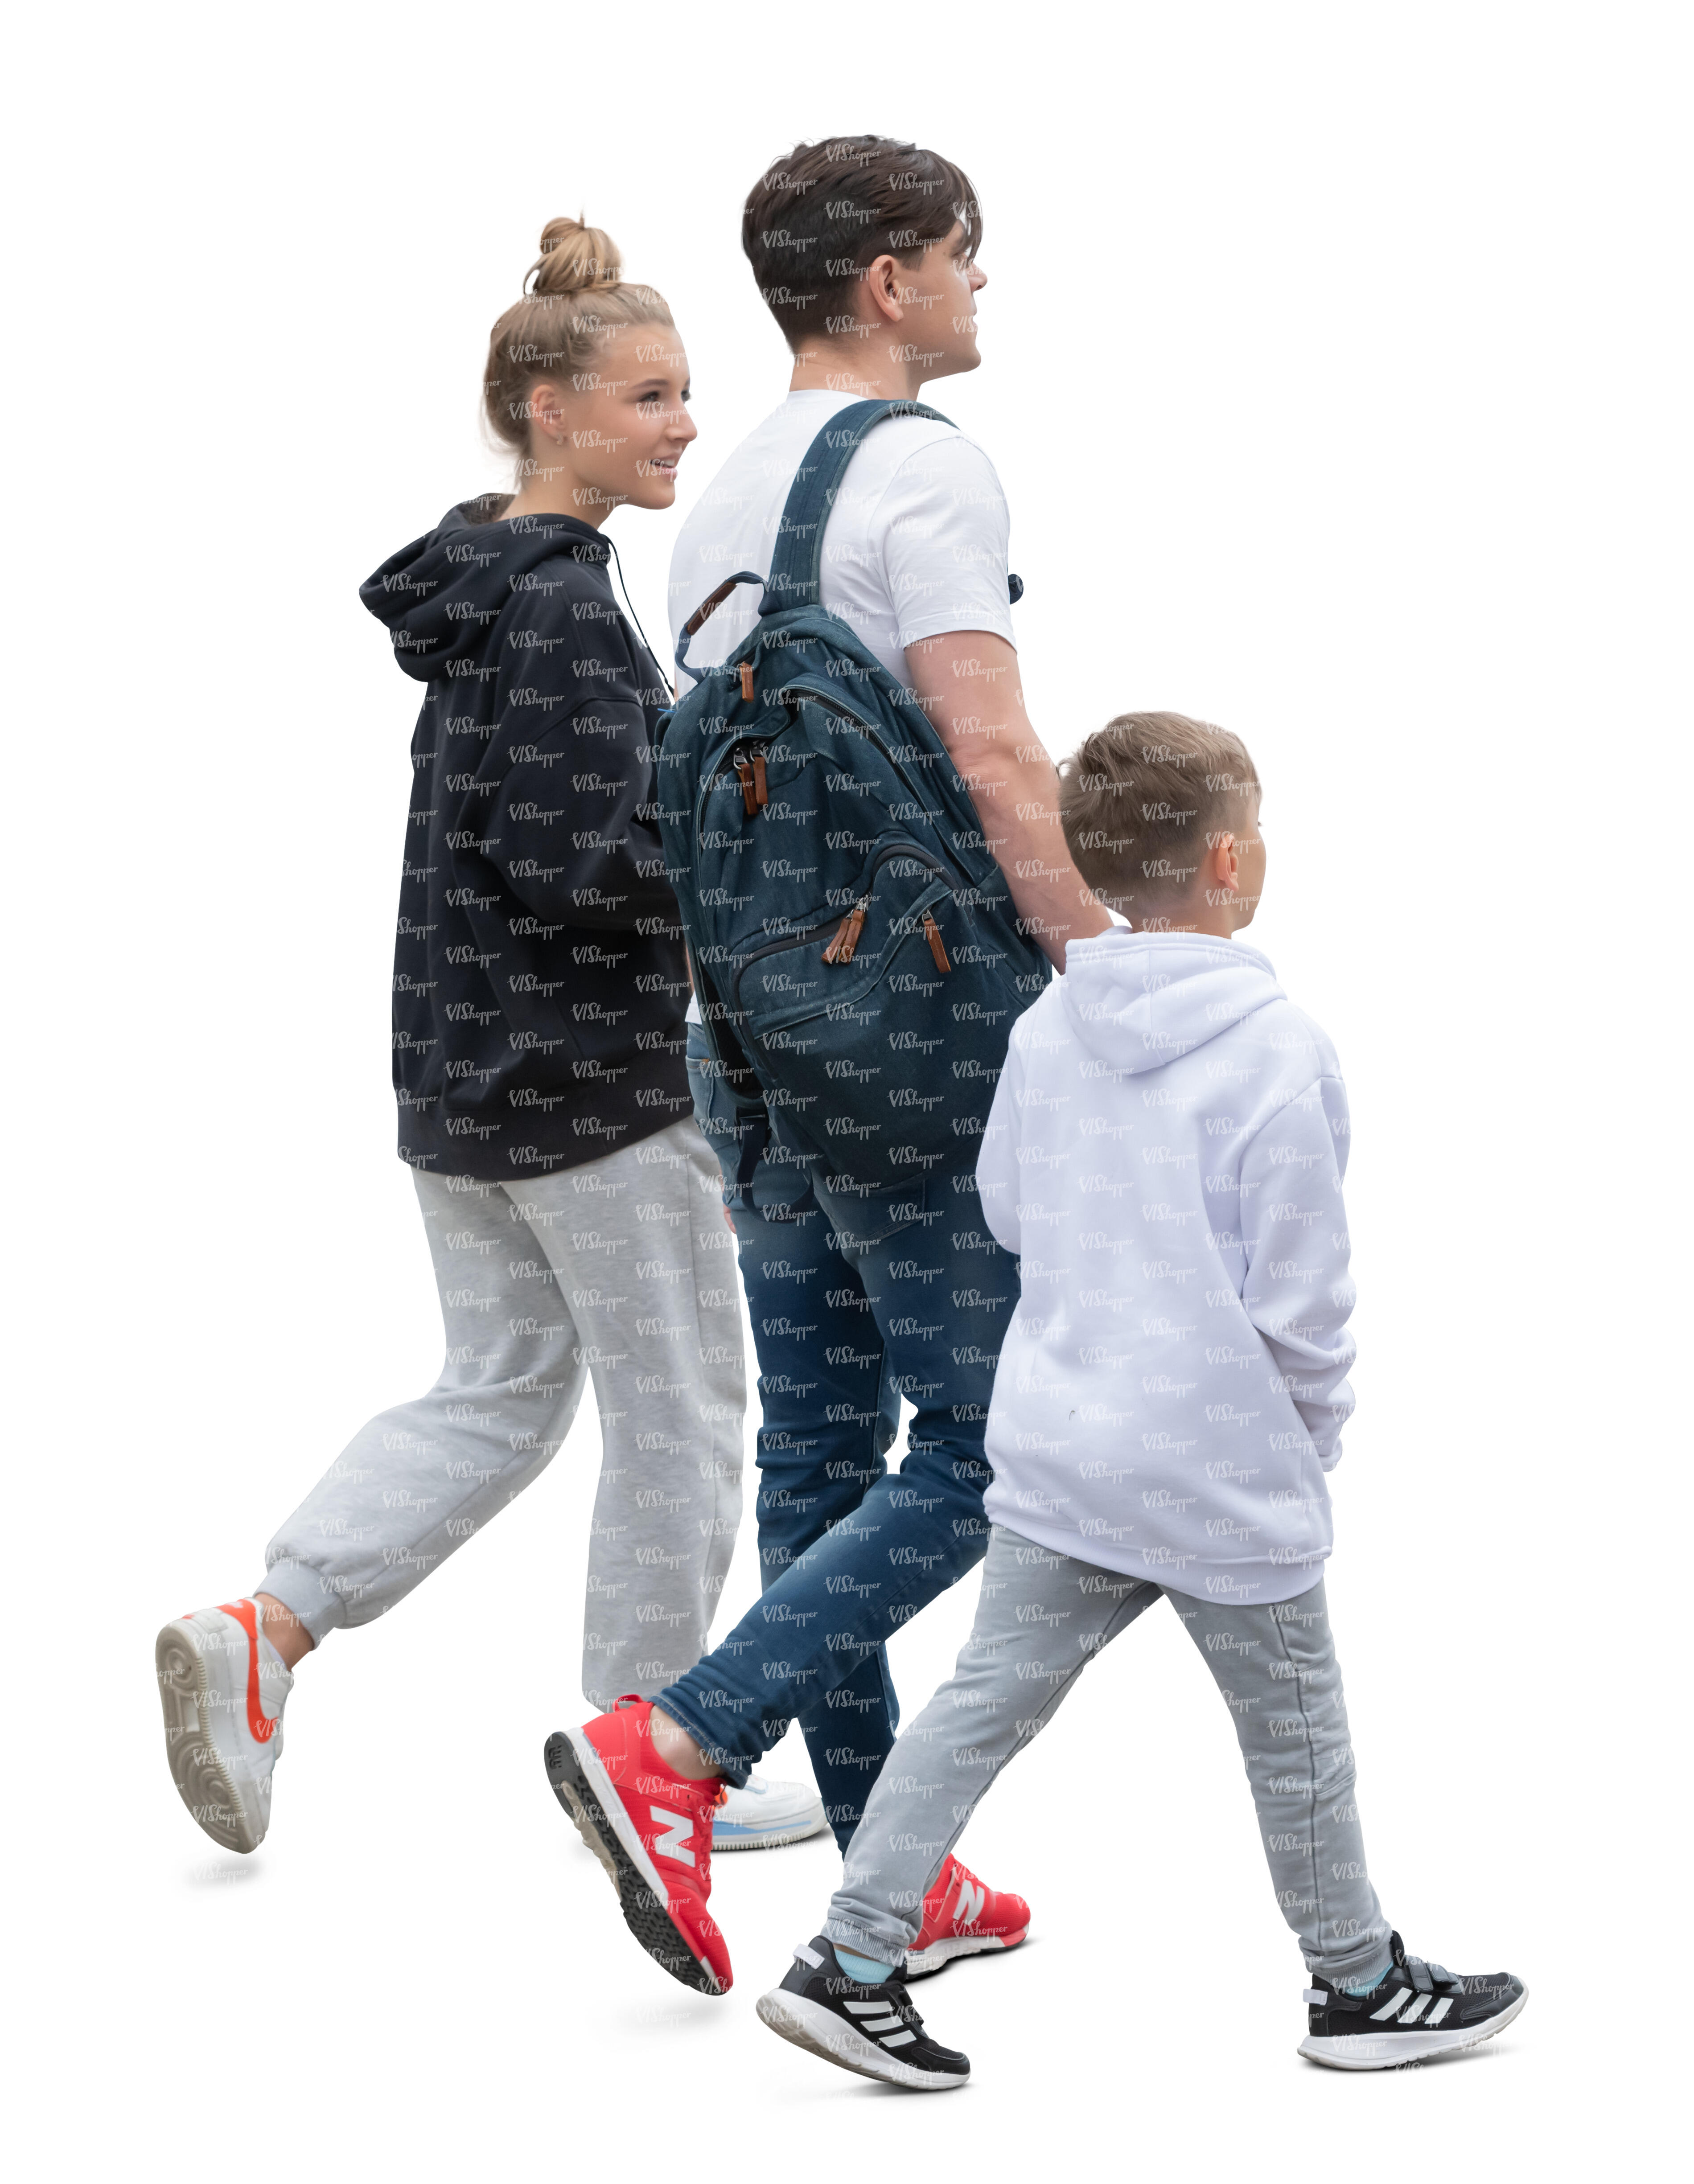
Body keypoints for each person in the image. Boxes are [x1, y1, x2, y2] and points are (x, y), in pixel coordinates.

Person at [155, 217, 825, 1860]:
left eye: (686, 394)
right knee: (683, 1408)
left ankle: (269, 1628)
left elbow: (531, 841)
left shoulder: (485, 596)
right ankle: (655, 1749)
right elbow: (580, 861)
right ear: (546, 409)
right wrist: (740, 838)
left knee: (503, 1388)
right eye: (649, 397)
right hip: (593, 1085)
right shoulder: (561, 607)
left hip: (462, 1076)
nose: (684, 426)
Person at [757, 711, 1528, 2085]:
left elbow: (1005, 1209)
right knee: (1296, 1736)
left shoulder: (1048, 1026)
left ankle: (850, 1956)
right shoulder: (1278, 1049)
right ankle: (1357, 1982)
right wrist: (1307, 1446)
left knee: (979, 1705)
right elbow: (1305, 1301)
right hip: (1221, 1471)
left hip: (1062, 1452)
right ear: (1229, 860)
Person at [543, 137, 1110, 1996]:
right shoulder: (922, 467)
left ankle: (891, 1871)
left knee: (818, 1446)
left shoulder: (721, 497)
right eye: (961, 254)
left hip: (753, 1031)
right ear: (888, 280)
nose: (976, 286)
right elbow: (992, 751)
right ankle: (682, 1738)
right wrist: (1101, 969)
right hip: (914, 1031)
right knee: (994, 1439)